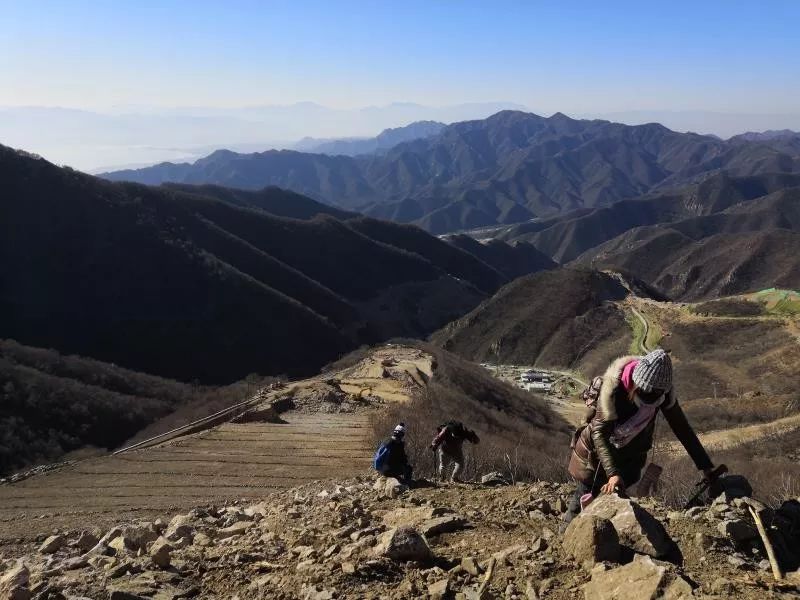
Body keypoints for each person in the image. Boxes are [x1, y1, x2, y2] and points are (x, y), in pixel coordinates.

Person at [563, 348, 716, 528]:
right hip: (594, 457)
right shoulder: (613, 389)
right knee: (583, 498)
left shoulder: (662, 394)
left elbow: (682, 429)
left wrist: (705, 466)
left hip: (629, 458)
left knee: (614, 503)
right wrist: (612, 473)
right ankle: (566, 537)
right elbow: (599, 433)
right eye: (644, 394)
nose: (649, 401)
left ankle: (604, 541)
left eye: (655, 397)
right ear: (635, 383)